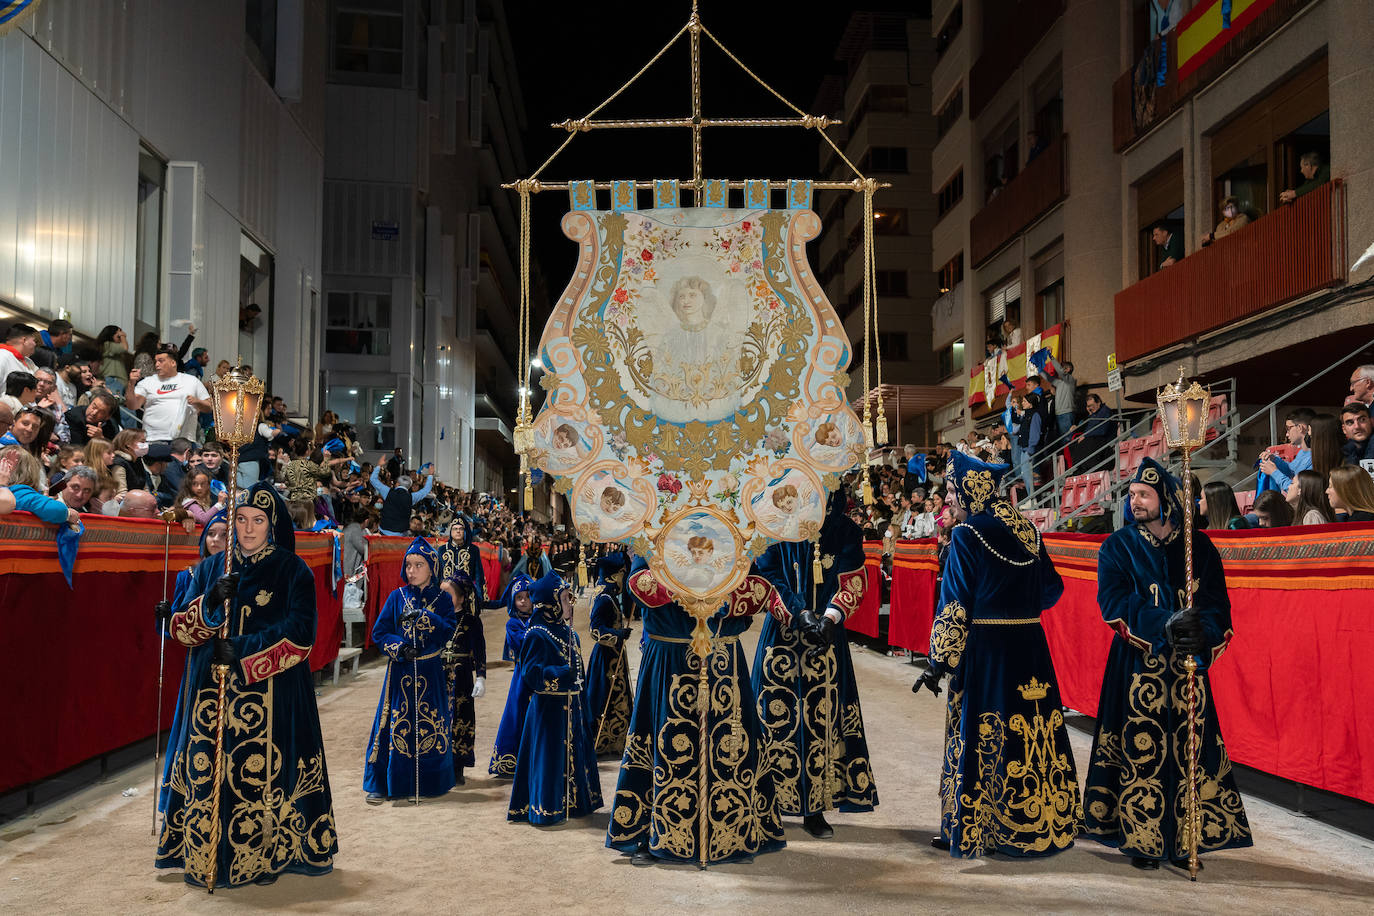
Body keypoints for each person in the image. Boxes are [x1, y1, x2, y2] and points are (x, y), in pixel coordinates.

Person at [156, 481, 338, 887]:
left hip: (273, 695)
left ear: (272, 526)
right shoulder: (210, 569)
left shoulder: (293, 571)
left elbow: (300, 635)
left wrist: (242, 650)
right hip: (209, 695)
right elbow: (183, 631)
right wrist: (210, 605)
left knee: (266, 774)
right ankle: (207, 857)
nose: (248, 529)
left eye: (258, 521)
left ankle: (266, 856)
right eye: (240, 520)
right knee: (210, 773)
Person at [1082, 458, 1251, 871]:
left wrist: (1202, 632)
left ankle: (1187, 837)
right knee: (1140, 749)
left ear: (1166, 500)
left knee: (1189, 751)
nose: (1135, 502)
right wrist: (1164, 624)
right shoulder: (1117, 546)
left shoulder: (1199, 547)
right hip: (1138, 666)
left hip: (1187, 668)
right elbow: (1114, 603)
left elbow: (1217, 606)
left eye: (1144, 495)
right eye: (1132, 495)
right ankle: (1141, 838)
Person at [913, 450, 1082, 857]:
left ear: (969, 490)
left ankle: (974, 828)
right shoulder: (1027, 529)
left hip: (987, 650)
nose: (949, 498)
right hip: (1030, 646)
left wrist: (939, 663)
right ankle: (1037, 825)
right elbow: (1052, 590)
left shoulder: (968, 534)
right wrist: (1018, 606)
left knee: (981, 734)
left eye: (953, 490)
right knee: (1033, 734)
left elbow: (954, 606)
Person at [607, 557, 787, 866]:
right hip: (668, 652)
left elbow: (758, 591)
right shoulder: (654, 531)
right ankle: (646, 833)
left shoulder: (734, 531)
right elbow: (639, 585)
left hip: (723, 652)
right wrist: (692, 584)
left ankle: (735, 832)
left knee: (730, 745)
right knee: (662, 739)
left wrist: (715, 591)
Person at [752, 489, 878, 839]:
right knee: (775, 718)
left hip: (827, 638)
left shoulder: (844, 530)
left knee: (825, 720)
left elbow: (853, 580)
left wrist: (831, 616)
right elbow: (767, 576)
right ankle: (766, 801)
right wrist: (797, 613)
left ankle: (816, 807)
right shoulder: (773, 528)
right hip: (782, 637)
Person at [364, 538, 458, 802]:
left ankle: (431, 782)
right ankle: (384, 783)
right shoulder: (397, 597)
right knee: (393, 726)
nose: (412, 571)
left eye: (419, 565)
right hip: (401, 673)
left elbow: (448, 630)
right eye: (408, 565)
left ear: (432, 568)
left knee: (432, 725)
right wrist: (399, 647)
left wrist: (425, 619)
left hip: (430, 673)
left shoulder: (443, 600)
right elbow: (380, 632)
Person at [507, 572, 602, 826]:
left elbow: (579, 673)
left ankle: (575, 801)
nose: (570, 604)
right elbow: (531, 674)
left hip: (573, 708)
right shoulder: (536, 634)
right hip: (548, 712)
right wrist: (560, 673)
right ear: (550, 603)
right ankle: (547, 806)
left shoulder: (571, 634)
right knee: (550, 759)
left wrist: (585, 707)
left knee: (574, 755)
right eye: (564, 599)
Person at [438, 570, 486, 785]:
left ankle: (457, 767)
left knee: (461, 719)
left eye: (448, 595)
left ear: (461, 597)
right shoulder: (435, 618)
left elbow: (480, 650)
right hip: (438, 675)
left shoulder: (471, 621)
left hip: (462, 676)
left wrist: (481, 677)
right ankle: (438, 764)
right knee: (439, 718)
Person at [584, 553, 633, 759]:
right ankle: (603, 742)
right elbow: (594, 630)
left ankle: (615, 740)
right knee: (604, 697)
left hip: (613, 657)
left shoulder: (604, 592)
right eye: (623, 573)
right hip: (607, 659)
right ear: (616, 575)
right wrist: (617, 635)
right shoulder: (604, 598)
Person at [488, 574, 534, 778]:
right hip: (523, 675)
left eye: (528, 596)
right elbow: (523, 643)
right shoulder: (513, 624)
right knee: (518, 712)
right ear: (513, 601)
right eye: (519, 597)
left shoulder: (539, 619)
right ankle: (512, 759)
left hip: (540, 674)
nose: (524, 601)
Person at [125, 345, 212, 443]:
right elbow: (132, 405)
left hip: (183, 440)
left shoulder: (192, 381)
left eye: (161, 361)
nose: (157, 365)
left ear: (173, 363)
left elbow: (209, 407)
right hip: (153, 439)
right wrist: (131, 384)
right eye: (156, 361)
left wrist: (197, 402)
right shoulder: (147, 382)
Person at [0, 446, 79, 528]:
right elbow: (57, 510)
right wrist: (68, 514)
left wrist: (42, 499)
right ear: (31, 472)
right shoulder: (21, 493)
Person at [372, 465, 434, 536]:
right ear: (409, 486)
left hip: (384, 532)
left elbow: (373, 479)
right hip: (401, 535)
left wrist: (378, 466)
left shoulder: (387, 492)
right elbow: (426, 489)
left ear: (397, 484)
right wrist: (430, 475)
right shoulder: (412, 497)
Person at [1045, 357, 1077, 440]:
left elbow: (1061, 372)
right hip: (1059, 414)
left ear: (1068, 369)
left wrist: (1051, 357)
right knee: (1062, 441)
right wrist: (1038, 367)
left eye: (1062, 368)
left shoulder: (1070, 380)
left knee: (1067, 440)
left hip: (1066, 413)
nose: (1059, 370)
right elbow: (1047, 377)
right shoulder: (1059, 383)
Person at [95, 325, 132, 395]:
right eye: (118, 336)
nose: (120, 339)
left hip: (118, 382)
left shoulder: (111, 348)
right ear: (111, 335)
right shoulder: (107, 345)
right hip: (114, 381)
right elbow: (124, 348)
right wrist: (123, 336)